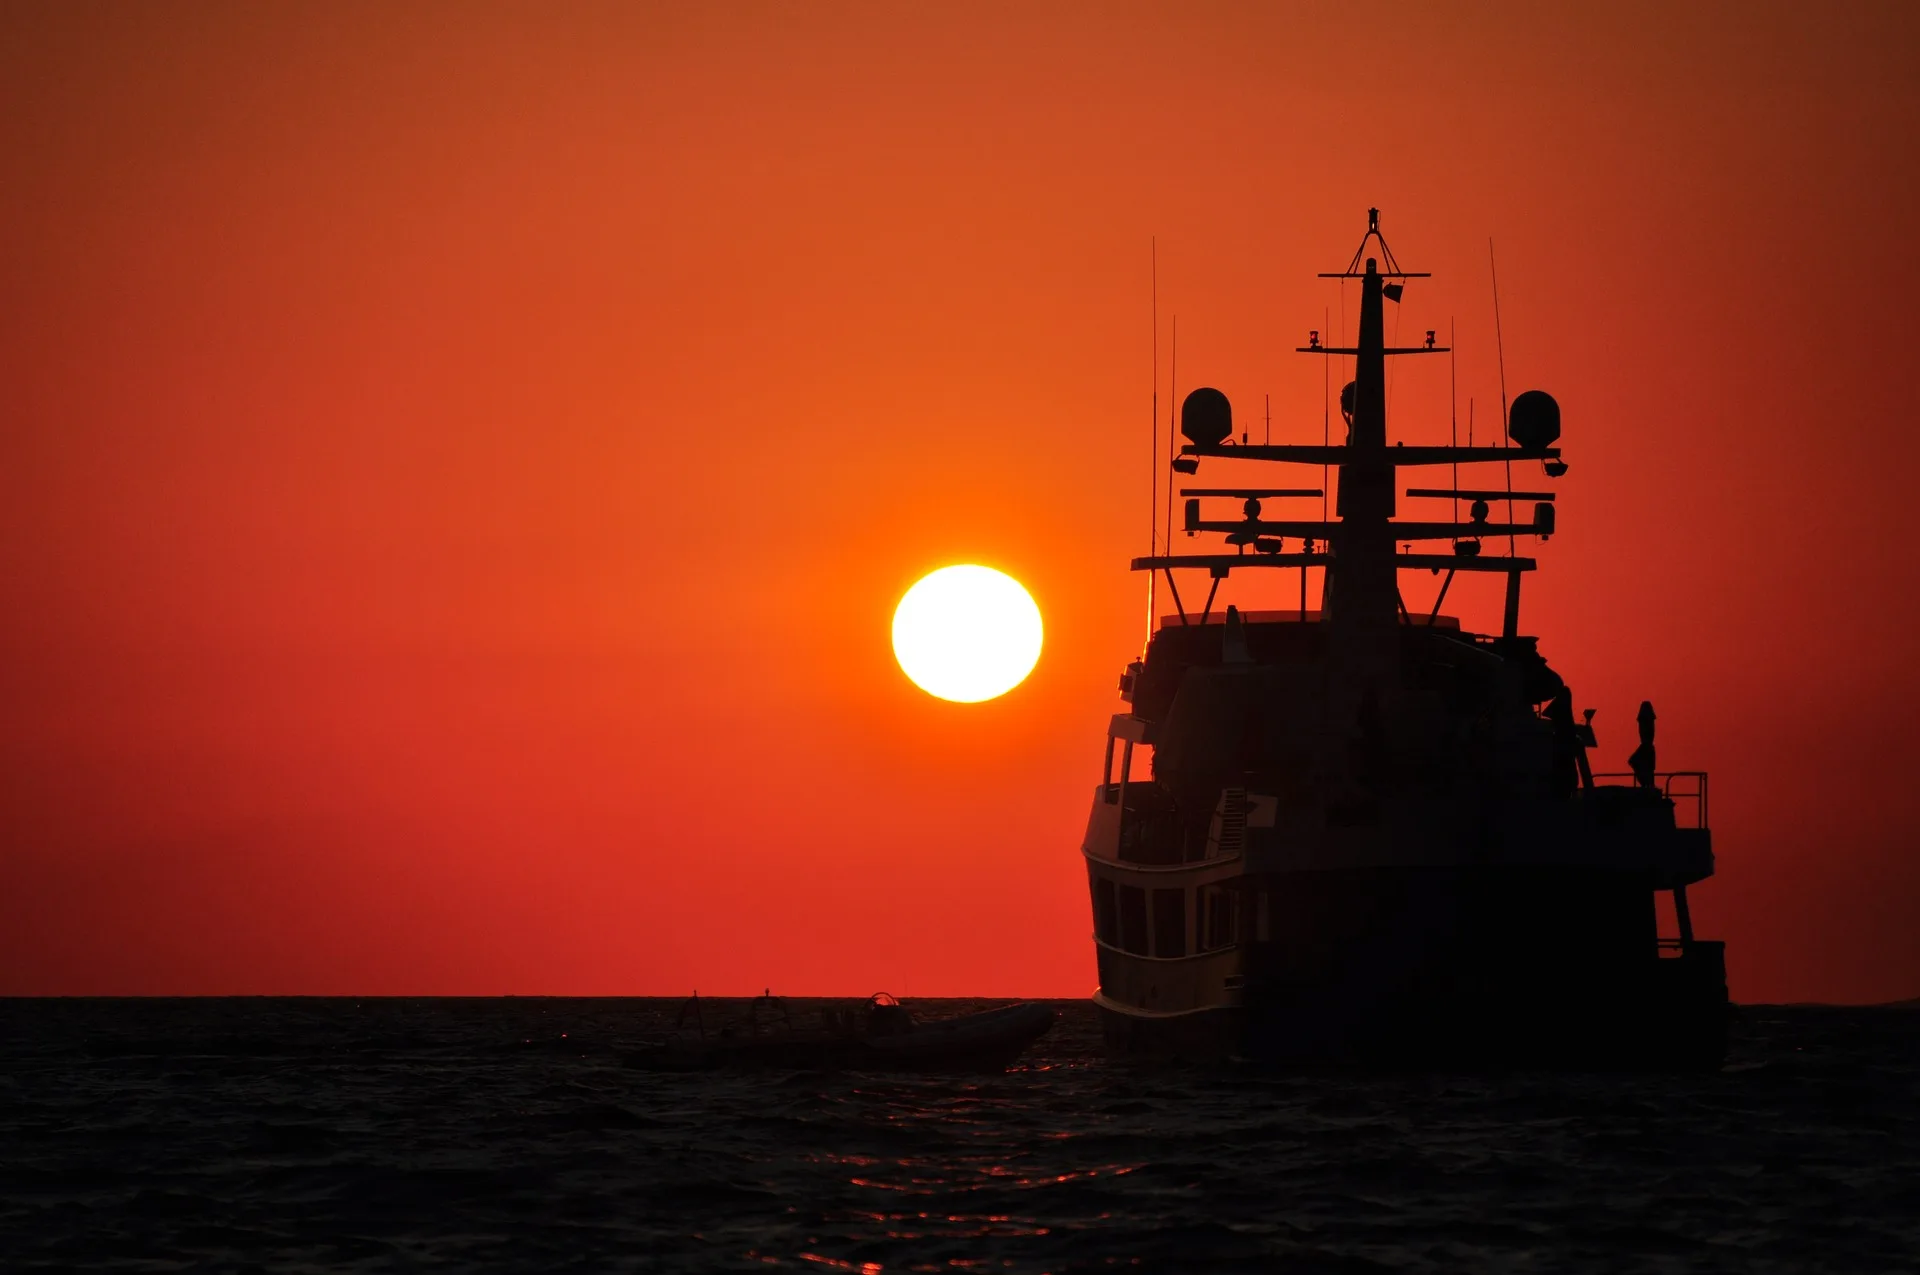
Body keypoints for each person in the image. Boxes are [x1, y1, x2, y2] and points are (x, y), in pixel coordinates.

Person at [1627, 700, 1657, 789]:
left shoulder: (1647, 746)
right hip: (1647, 745)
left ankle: (1646, 784)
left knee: (1635, 761)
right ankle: (1647, 784)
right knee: (1647, 766)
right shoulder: (1648, 719)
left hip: (1646, 745)